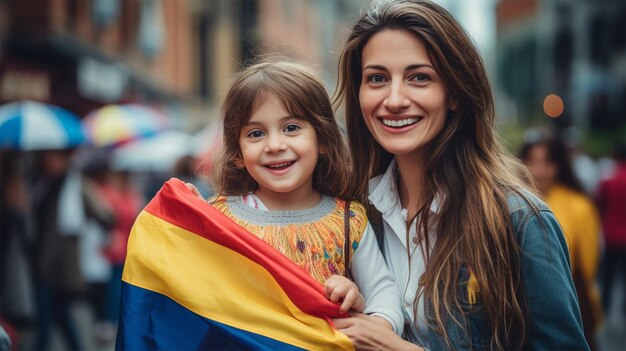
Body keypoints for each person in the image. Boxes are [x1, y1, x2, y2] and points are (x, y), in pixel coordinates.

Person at [330, 1, 588, 350]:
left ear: (454, 94)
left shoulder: (520, 222)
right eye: (377, 78)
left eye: (419, 77)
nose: (393, 99)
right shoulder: (350, 215)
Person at [201, 58, 404, 334]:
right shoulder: (216, 219)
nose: (274, 145)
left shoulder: (349, 220)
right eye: (256, 133)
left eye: (291, 128)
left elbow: (383, 292)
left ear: (322, 139)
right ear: (237, 154)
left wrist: (368, 317)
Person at [520, 133, 603, 349]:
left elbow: (589, 262)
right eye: (532, 162)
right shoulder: (510, 202)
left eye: (547, 162)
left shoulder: (579, 206)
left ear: (559, 165)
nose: (539, 171)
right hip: (517, 306)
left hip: (568, 298)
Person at [596, 142, 626, 321]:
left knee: (608, 275)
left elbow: (600, 205)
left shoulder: (608, 180)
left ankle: (605, 308)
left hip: (611, 234)